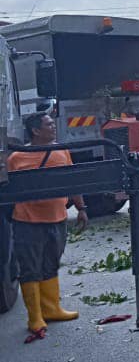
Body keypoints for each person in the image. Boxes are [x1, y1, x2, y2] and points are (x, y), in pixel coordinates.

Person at [8, 111, 88, 344]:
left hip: (57, 218)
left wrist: (81, 207)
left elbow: (72, 181)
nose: (53, 127)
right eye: (48, 124)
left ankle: (52, 309)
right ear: (35, 131)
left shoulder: (61, 151)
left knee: (51, 262)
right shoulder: (17, 157)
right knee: (30, 267)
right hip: (27, 221)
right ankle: (35, 318)